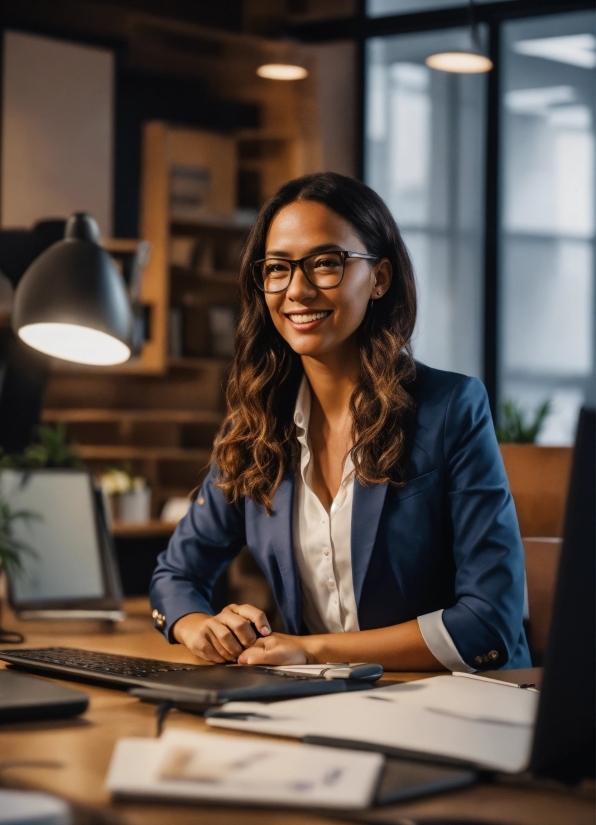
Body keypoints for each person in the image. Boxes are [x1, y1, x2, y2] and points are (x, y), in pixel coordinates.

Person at [150, 172, 531, 672]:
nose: (298, 290)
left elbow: (490, 623)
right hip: (318, 704)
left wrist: (312, 650)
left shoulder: (451, 408)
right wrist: (197, 625)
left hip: (460, 703)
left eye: (326, 263)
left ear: (380, 278)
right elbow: (175, 574)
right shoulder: (255, 426)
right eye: (278, 268)